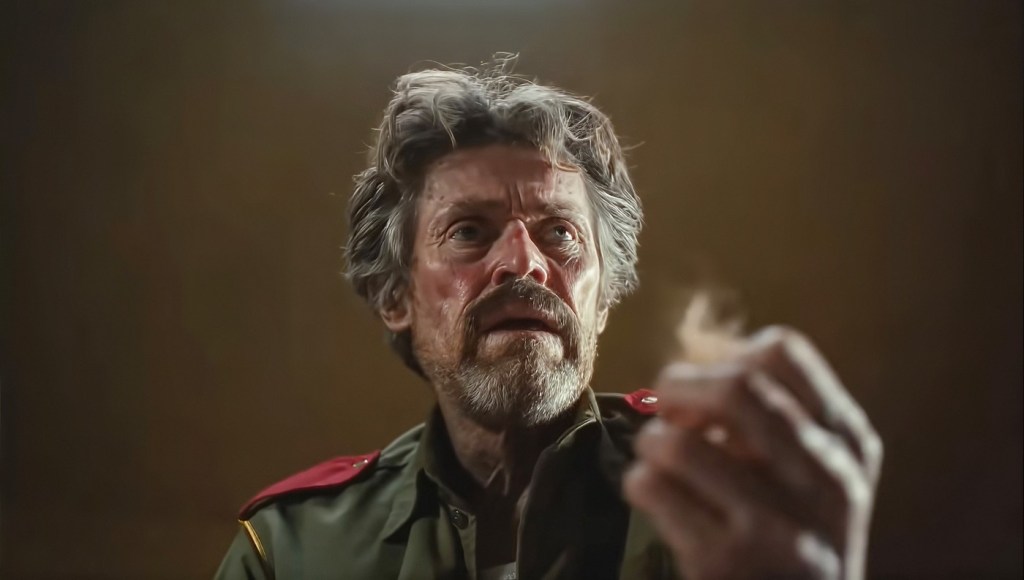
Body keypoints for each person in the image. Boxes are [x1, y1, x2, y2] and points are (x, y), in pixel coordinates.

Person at [215, 60, 882, 580]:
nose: (523, 263)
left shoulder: (724, 500)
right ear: (396, 297)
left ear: (603, 300)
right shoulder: (293, 548)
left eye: (560, 233)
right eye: (469, 231)